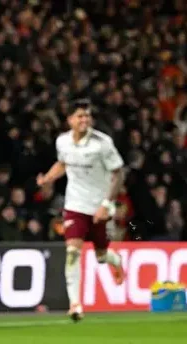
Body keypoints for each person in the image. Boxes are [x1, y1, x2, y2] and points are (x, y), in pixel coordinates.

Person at [37, 99, 126, 322]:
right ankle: (75, 304)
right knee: (72, 252)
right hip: (75, 205)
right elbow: (63, 163)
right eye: (80, 116)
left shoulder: (102, 143)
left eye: (87, 115)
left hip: (99, 206)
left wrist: (107, 204)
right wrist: (47, 179)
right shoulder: (62, 141)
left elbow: (118, 173)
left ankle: (116, 261)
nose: (84, 119)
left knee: (101, 256)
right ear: (70, 120)